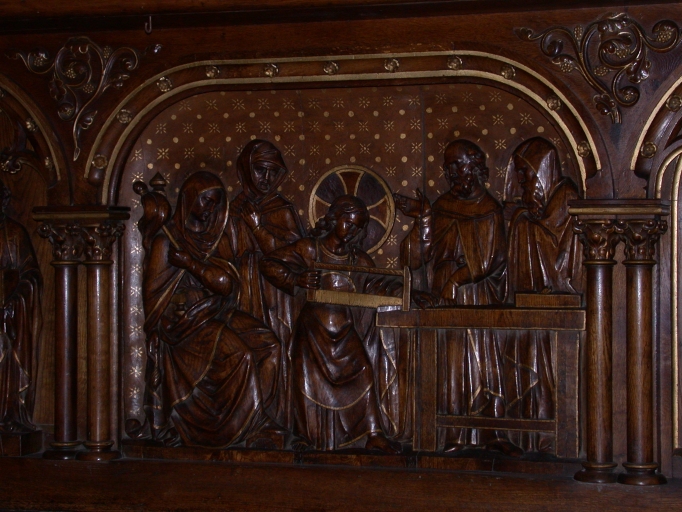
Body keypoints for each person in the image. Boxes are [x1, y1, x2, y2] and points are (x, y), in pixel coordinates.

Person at [141, 171, 284, 448]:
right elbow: (154, 298)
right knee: (240, 355)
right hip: (185, 326)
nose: (210, 208)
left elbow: (226, 285)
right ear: (189, 199)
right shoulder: (166, 241)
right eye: (206, 200)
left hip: (215, 311)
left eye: (216, 203)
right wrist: (171, 317)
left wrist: (192, 265)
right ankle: (245, 427)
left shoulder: (216, 238)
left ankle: (260, 417)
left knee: (270, 346)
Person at [395, 140, 519, 455]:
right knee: (451, 363)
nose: (452, 173)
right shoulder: (441, 206)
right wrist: (423, 218)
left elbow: (492, 258)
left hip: (477, 296)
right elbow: (413, 259)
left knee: (483, 361)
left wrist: (457, 279)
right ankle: (453, 434)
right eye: (448, 166)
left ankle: (492, 430)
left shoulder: (489, 208)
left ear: (475, 167)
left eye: (458, 164)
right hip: (444, 295)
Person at [260, 195, 402, 453]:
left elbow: (378, 285)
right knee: (306, 380)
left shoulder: (358, 260)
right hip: (313, 330)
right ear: (335, 217)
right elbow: (269, 263)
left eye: (358, 227)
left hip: (345, 332)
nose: (352, 231)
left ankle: (372, 433)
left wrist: (407, 292)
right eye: (349, 223)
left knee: (364, 372)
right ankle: (305, 435)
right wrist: (296, 279)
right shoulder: (310, 249)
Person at [504, 137, 582, 453]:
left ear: (543, 169)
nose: (522, 183)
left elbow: (559, 247)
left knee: (554, 374)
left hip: (559, 308)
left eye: (526, 174)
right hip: (536, 309)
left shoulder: (567, 198)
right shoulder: (538, 209)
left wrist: (523, 220)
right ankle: (533, 437)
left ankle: (554, 440)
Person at [227, 139, 305, 428]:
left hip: (277, 296)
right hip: (241, 291)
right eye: (260, 170)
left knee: (279, 348)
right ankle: (248, 418)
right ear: (246, 170)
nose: (267, 178)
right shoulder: (233, 208)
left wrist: (258, 229)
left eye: (273, 172)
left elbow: (296, 255)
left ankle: (278, 418)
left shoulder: (281, 209)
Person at [0, 180, 42, 433]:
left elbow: (31, 276)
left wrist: (13, 300)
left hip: (7, 316)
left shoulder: (14, 234)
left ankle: (8, 412)